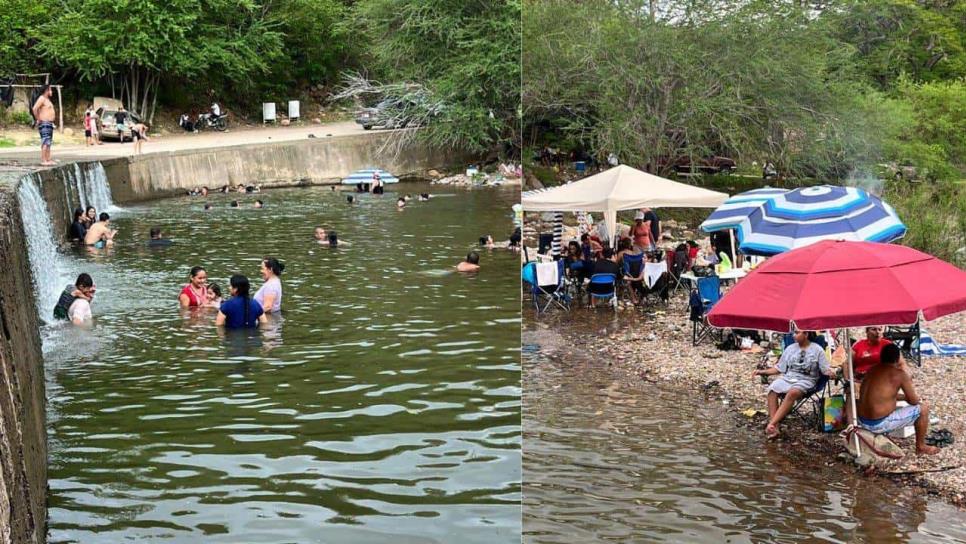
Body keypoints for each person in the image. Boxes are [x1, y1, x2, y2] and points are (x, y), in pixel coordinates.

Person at [857, 344, 939, 455]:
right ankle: (921, 446)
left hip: (861, 421)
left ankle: (884, 436)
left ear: (881, 357)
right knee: (923, 409)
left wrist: (903, 397)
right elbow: (913, 401)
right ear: (897, 358)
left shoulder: (872, 370)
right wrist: (909, 397)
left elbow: (882, 396)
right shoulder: (899, 374)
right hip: (877, 424)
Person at [752, 329, 834, 437]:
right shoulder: (790, 348)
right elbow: (779, 368)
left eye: (797, 333)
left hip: (807, 380)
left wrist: (832, 373)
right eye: (794, 333)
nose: (794, 336)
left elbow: (825, 370)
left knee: (792, 392)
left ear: (806, 334)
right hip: (788, 377)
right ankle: (775, 427)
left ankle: (772, 423)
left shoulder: (817, 350)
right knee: (773, 389)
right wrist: (762, 372)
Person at [31, 85, 56, 165]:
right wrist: (38, 118)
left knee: (49, 142)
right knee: (45, 141)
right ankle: (44, 160)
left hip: (49, 123)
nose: (51, 91)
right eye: (50, 89)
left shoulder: (47, 100)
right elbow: (34, 108)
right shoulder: (42, 98)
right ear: (46, 90)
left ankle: (48, 159)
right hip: (44, 123)